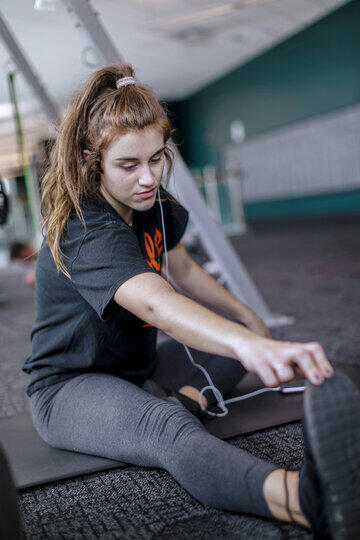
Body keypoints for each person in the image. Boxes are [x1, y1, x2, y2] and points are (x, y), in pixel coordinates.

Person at [22, 64, 360, 538]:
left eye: (156, 159)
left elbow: (180, 267)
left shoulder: (152, 204)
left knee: (233, 339)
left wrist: (249, 323)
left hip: (139, 367)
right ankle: (304, 499)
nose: (147, 177)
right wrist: (251, 349)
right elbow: (159, 303)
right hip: (70, 385)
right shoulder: (84, 230)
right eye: (129, 165)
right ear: (88, 159)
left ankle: (180, 400)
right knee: (166, 429)